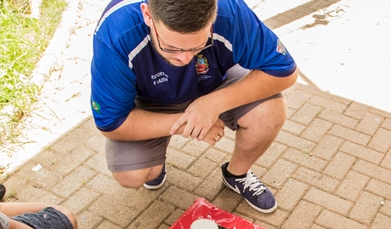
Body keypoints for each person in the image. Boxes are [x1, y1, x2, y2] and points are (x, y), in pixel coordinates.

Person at [90, 0, 297, 213]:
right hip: (150, 99)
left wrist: (214, 103)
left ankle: (237, 175)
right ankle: (155, 162)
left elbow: (285, 71)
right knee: (132, 175)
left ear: (214, 15)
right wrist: (189, 124)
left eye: (199, 46)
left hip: (214, 83)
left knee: (270, 114)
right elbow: (111, 123)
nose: (186, 58)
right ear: (148, 15)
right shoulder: (115, 33)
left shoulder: (230, 10)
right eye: (170, 47)